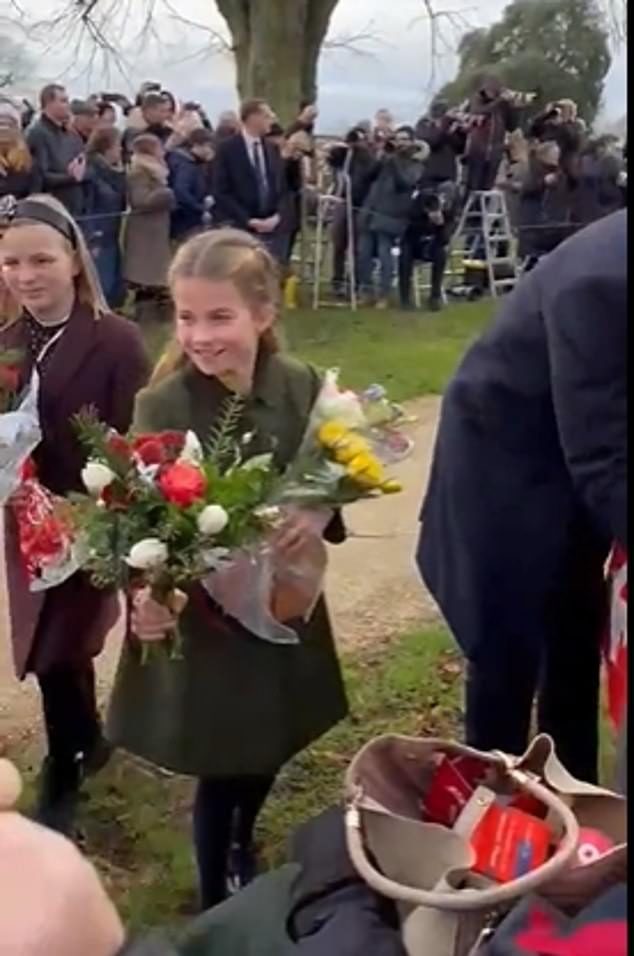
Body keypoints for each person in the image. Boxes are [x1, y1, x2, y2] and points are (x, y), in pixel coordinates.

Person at [106, 228, 348, 910]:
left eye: (220, 316)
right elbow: (136, 518)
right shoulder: (165, 406)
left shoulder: (300, 386)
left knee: (271, 739)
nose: (200, 335)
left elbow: (330, 472)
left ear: (263, 314)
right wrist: (144, 593)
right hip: (207, 620)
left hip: (285, 604)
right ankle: (218, 890)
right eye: (186, 317)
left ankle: (244, 838)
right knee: (222, 755)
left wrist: (318, 507)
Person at [416, 210, 626, 783]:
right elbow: (603, 458)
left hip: (568, 474)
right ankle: (492, 815)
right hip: (501, 476)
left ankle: (573, 802)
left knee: (574, 642)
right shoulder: (600, 284)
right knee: (506, 657)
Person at [0, 194, 148, 834]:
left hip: (88, 516)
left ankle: (65, 760)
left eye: (41, 259)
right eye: (11, 262)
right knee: (46, 640)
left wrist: (111, 509)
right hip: (24, 516)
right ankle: (86, 738)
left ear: (74, 262)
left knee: (64, 643)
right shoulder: (6, 337)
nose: (26, 275)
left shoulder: (114, 340)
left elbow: (138, 437)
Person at [357, 126, 428, 308]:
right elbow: (368, 176)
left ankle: (383, 295)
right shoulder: (388, 158)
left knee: (384, 255)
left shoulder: (416, 164)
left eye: (405, 139)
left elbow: (405, 183)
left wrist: (394, 160)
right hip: (371, 211)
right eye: (399, 139)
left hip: (392, 215)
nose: (401, 142)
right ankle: (365, 291)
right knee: (363, 253)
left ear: (412, 141)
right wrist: (380, 156)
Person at [212, 99, 286, 260]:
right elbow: (220, 190)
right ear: (253, 117)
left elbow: (280, 186)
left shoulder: (272, 149)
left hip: (271, 226)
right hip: (239, 225)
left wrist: (277, 216)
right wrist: (247, 219)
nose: (272, 120)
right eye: (267, 116)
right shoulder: (227, 149)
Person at [123, 133, 175, 323]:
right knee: (146, 271)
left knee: (157, 271)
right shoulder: (139, 172)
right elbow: (140, 200)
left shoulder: (156, 170)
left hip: (156, 228)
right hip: (144, 230)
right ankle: (145, 315)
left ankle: (156, 315)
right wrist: (166, 193)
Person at [26, 84, 87, 217]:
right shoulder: (38, 134)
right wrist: (72, 178)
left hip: (75, 206)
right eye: (63, 101)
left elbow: (83, 162)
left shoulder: (70, 134)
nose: (68, 106)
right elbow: (40, 177)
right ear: (49, 103)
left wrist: (82, 171)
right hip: (51, 209)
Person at [84, 126, 127, 308]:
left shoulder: (114, 172)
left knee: (114, 283)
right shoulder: (92, 172)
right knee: (102, 283)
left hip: (113, 232)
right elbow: (87, 206)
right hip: (99, 235)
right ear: (106, 147)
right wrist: (92, 236)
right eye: (117, 146)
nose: (121, 150)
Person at [517, 140, 573, 268]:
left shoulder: (560, 172)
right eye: (554, 153)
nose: (557, 157)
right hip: (533, 223)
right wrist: (543, 183)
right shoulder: (532, 168)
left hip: (554, 225)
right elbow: (525, 188)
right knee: (531, 262)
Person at [462, 77, 519, 192]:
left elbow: (512, 126)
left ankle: (481, 208)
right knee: (473, 186)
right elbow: (479, 111)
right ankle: (466, 208)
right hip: (477, 151)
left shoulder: (502, 107)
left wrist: (512, 106)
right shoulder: (477, 100)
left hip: (495, 152)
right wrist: (500, 101)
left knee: (487, 188)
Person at [167, 127, 215, 242]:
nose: (210, 151)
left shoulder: (193, 163)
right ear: (198, 145)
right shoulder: (186, 165)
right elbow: (181, 191)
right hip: (187, 221)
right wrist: (200, 208)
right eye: (208, 146)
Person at [414, 100, 466, 186]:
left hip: (448, 176)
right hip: (428, 176)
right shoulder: (423, 125)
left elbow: (460, 148)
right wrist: (445, 125)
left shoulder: (449, 126)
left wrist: (461, 131)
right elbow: (433, 141)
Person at [0, 99, 41, 201]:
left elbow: (34, 195)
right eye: (0, 123)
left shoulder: (29, 163)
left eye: (9, 124)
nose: (4, 128)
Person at [122, 91, 173, 162]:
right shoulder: (133, 133)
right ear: (149, 111)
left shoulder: (163, 129)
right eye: (162, 111)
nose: (166, 115)